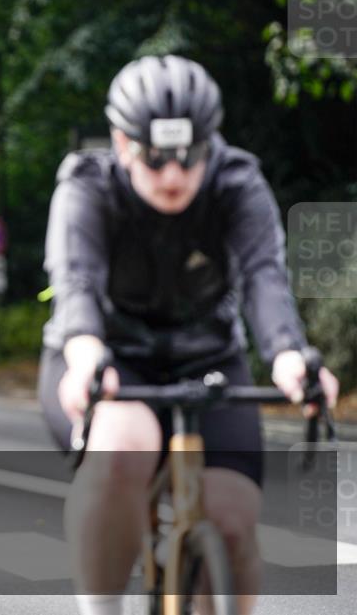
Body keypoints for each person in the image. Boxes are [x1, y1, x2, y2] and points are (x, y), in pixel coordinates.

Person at [37, 54, 340, 615]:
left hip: (208, 358)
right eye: (155, 159)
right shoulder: (87, 184)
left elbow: (263, 278)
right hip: (106, 357)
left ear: (211, 141)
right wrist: (84, 356)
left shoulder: (236, 181)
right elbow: (75, 282)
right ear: (123, 143)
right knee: (124, 443)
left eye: (189, 156)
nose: (173, 175)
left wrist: (291, 359)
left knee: (230, 523)